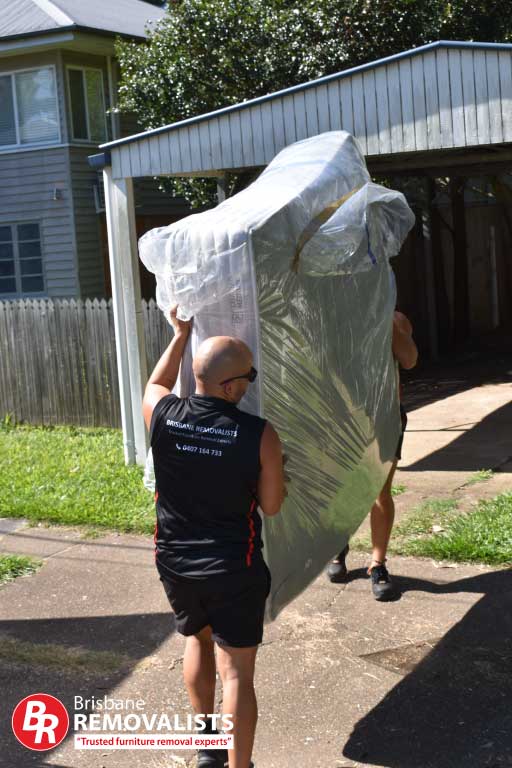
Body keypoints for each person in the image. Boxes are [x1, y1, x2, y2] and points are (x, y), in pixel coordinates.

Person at [142, 307, 285, 768]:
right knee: (237, 671)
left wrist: (180, 335)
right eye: (249, 376)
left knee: (196, 640)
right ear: (230, 387)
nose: (250, 383)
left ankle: (208, 747)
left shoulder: (163, 415)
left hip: (176, 563)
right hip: (233, 567)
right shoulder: (258, 434)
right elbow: (273, 505)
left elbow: (153, 385)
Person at [327, 310, 418, 600]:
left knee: (380, 491)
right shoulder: (337, 318)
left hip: (385, 418)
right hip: (344, 419)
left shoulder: (395, 319)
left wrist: (386, 324)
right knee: (341, 488)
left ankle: (378, 564)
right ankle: (338, 545)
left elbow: (410, 359)